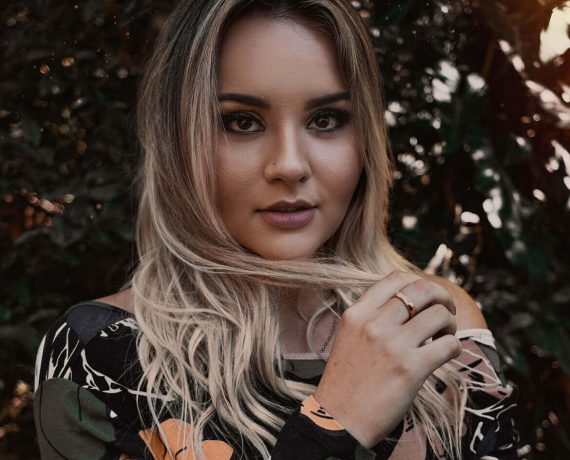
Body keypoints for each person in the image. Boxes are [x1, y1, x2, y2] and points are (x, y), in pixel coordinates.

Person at [33, 1, 521, 459]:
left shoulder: (435, 319)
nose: (289, 165)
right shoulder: (97, 355)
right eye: (241, 122)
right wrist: (336, 423)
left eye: (326, 119)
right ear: (177, 140)